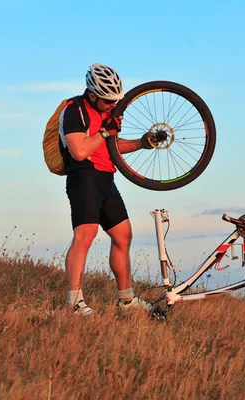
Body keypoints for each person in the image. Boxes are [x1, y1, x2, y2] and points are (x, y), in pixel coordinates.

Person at [59, 63, 150, 316]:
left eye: (115, 100)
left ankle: (126, 301)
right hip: (83, 178)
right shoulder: (74, 110)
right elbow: (79, 150)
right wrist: (104, 129)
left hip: (106, 178)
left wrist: (143, 143)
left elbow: (111, 145)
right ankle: (75, 303)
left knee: (123, 236)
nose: (113, 105)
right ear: (92, 95)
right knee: (85, 236)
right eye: (108, 100)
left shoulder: (104, 114)